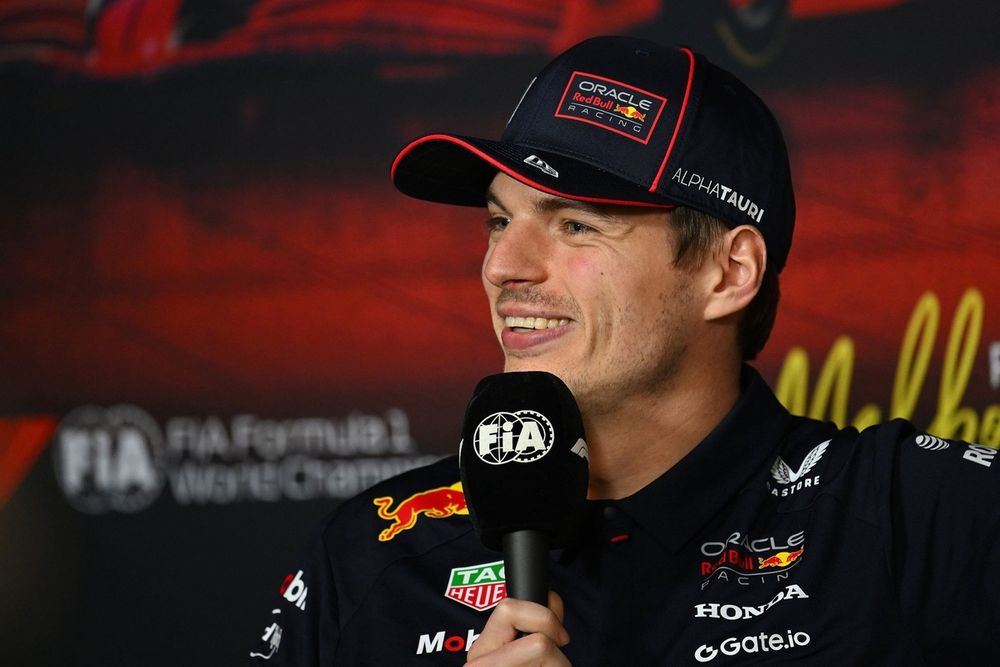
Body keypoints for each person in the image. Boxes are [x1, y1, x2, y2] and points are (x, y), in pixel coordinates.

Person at [248, 35, 1000, 665]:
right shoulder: (373, 550)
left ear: (727, 272)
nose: (505, 267)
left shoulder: (917, 517)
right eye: (498, 221)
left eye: (575, 225)